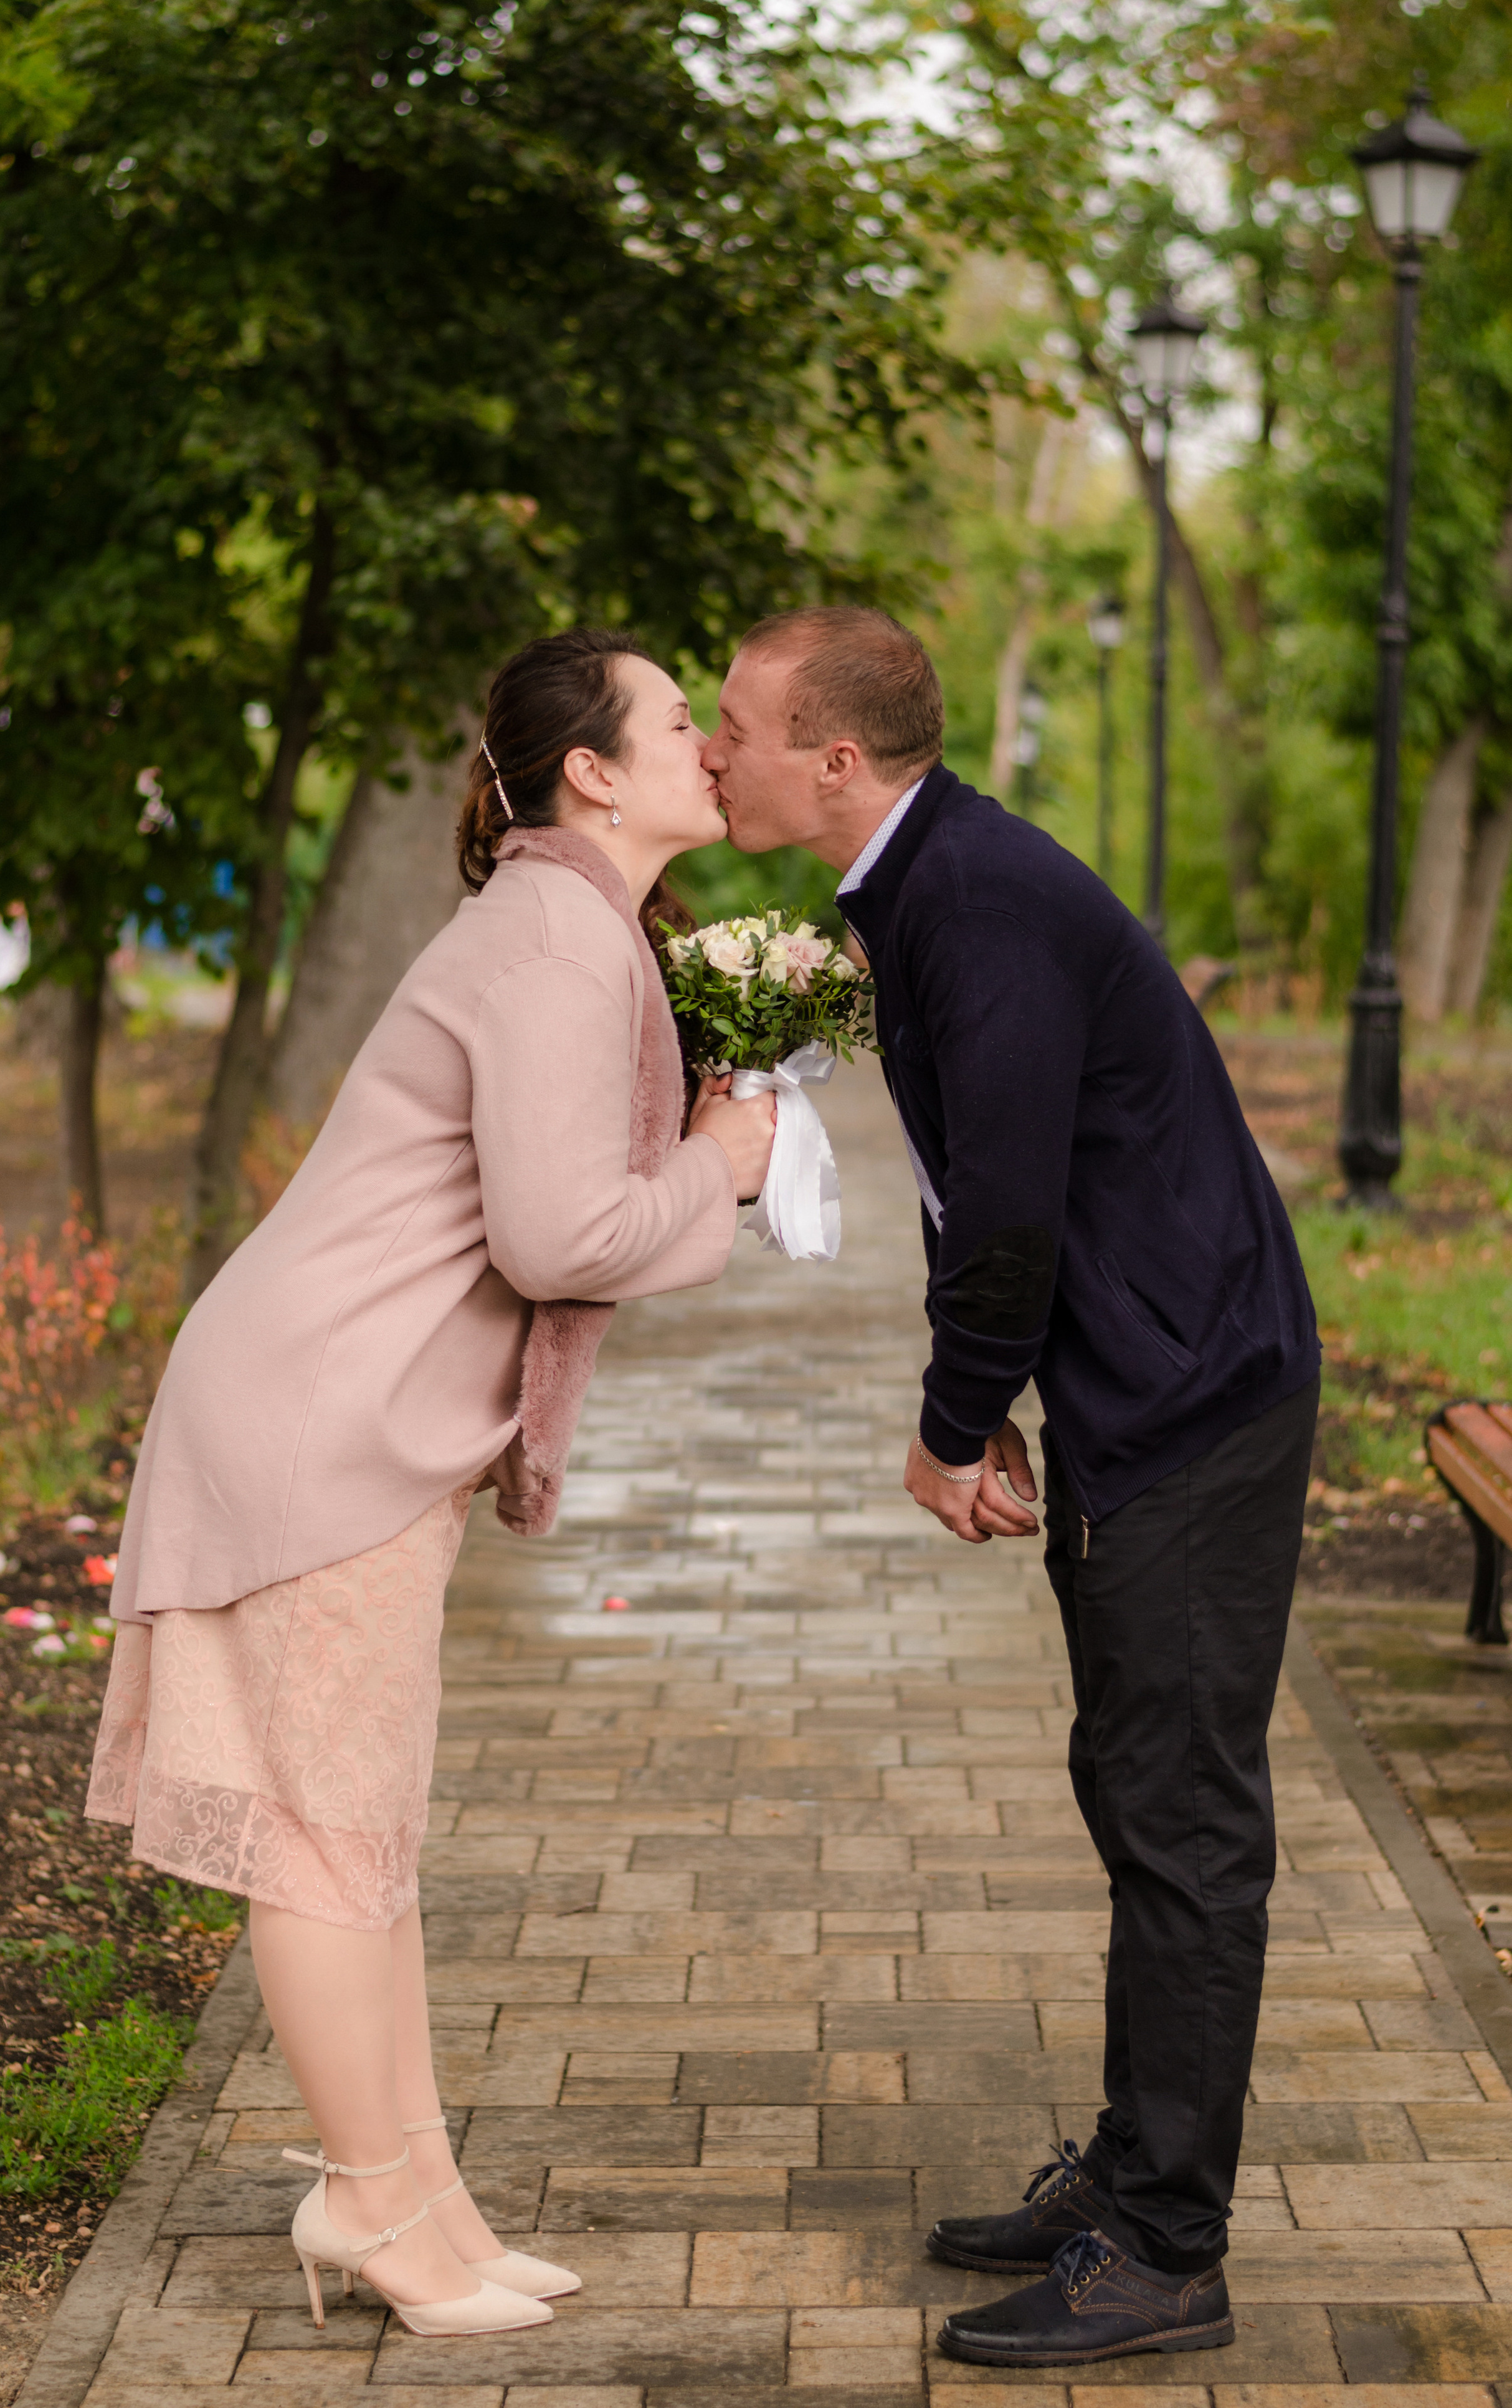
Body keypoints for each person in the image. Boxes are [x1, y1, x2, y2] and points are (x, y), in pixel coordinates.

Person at [86, 629, 776, 2342]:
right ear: (592, 772)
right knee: (326, 1839)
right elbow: (558, 1235)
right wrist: (723, 1161)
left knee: (365, 1831)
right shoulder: (554, 936)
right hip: (314, 1426)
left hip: (339, 1415)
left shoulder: (572, 923)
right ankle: (366, 2200)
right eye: (682, 719)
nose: (714, 740)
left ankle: (422, 2199)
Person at [705, 604, 1319, 2370]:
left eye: (739, 725)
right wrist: (1001, 1398)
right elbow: (990, 1181)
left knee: (1183, 1821)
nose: (717, 749)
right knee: (1136, 1785)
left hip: (1197, 1396)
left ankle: (1168, 2250)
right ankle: (1133, 2174)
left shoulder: (966, 900)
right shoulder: (924, 882)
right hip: (1148, 1377)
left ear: (836, 758)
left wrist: (952, 1419)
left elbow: (1017, 1211)